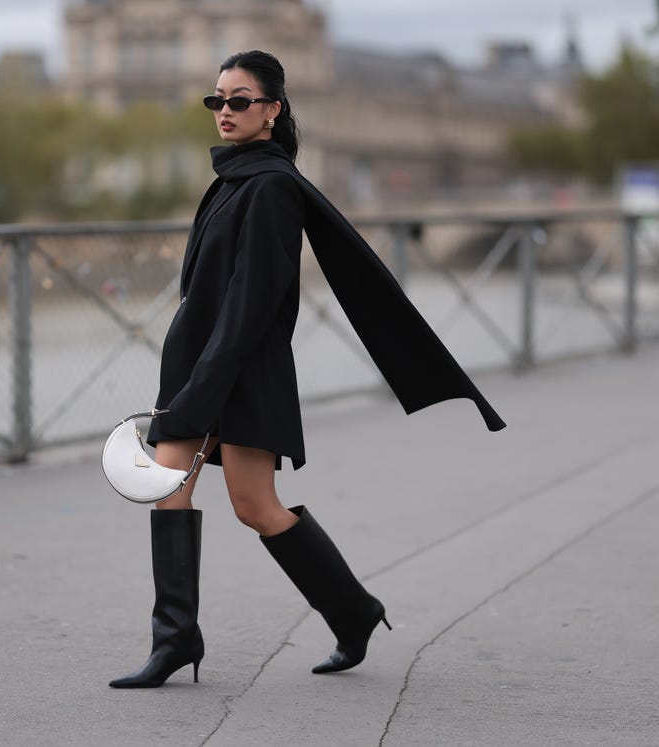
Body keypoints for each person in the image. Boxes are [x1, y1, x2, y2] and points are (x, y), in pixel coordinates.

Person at [108, 50, 505, 689]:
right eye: (217, 100)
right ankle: (176, 639)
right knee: (169, 489)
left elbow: (252, 303)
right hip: (195, 366)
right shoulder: (233, 179)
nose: (225, 112)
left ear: (273, 110)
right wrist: (187, 372)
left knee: (255, 505)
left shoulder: (270, 187)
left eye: (240, 100)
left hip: (242, 370)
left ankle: (354, 612)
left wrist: (206, 381)